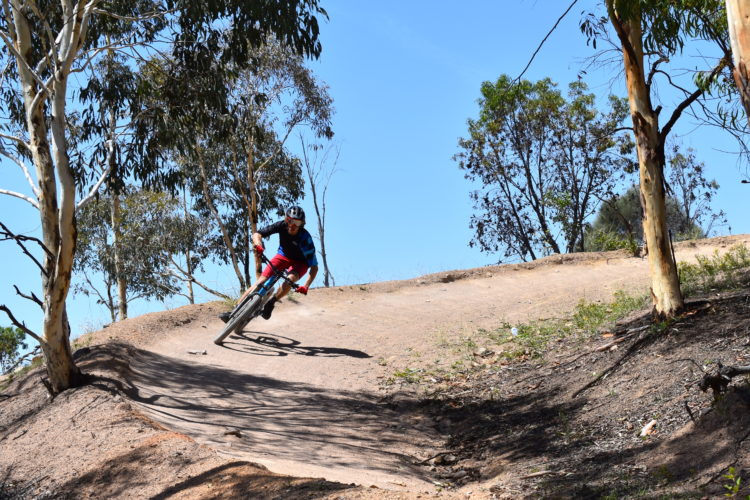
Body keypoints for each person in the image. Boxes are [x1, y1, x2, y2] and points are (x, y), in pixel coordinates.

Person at [220, 206, 318, 322]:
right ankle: (234, 311)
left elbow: (314, 267)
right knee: (260, 282)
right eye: (289, 220)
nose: (292, 225)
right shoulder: (281, 225)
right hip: (283, 256)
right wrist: (258, 245)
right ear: (286, 219)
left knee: (289, 280)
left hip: (300, 263)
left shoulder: (305, 238)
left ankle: (271, 302)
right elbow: (257, 234)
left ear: (302, 224)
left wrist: (306, 286)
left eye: (296, 222)